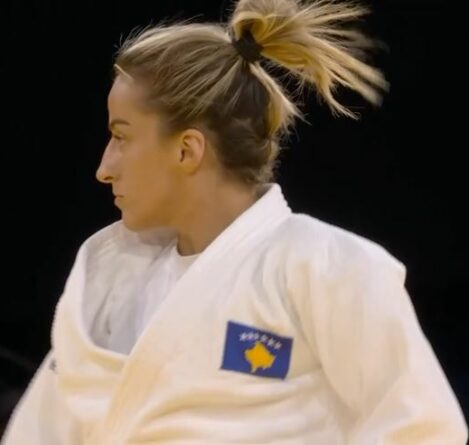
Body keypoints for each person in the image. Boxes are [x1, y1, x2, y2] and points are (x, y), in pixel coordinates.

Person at [2, 0, 467, 443]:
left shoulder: (327, 268)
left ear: (187, 150)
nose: (104, 168)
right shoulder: (108, 281)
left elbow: (423, 431)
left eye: (121, 137)